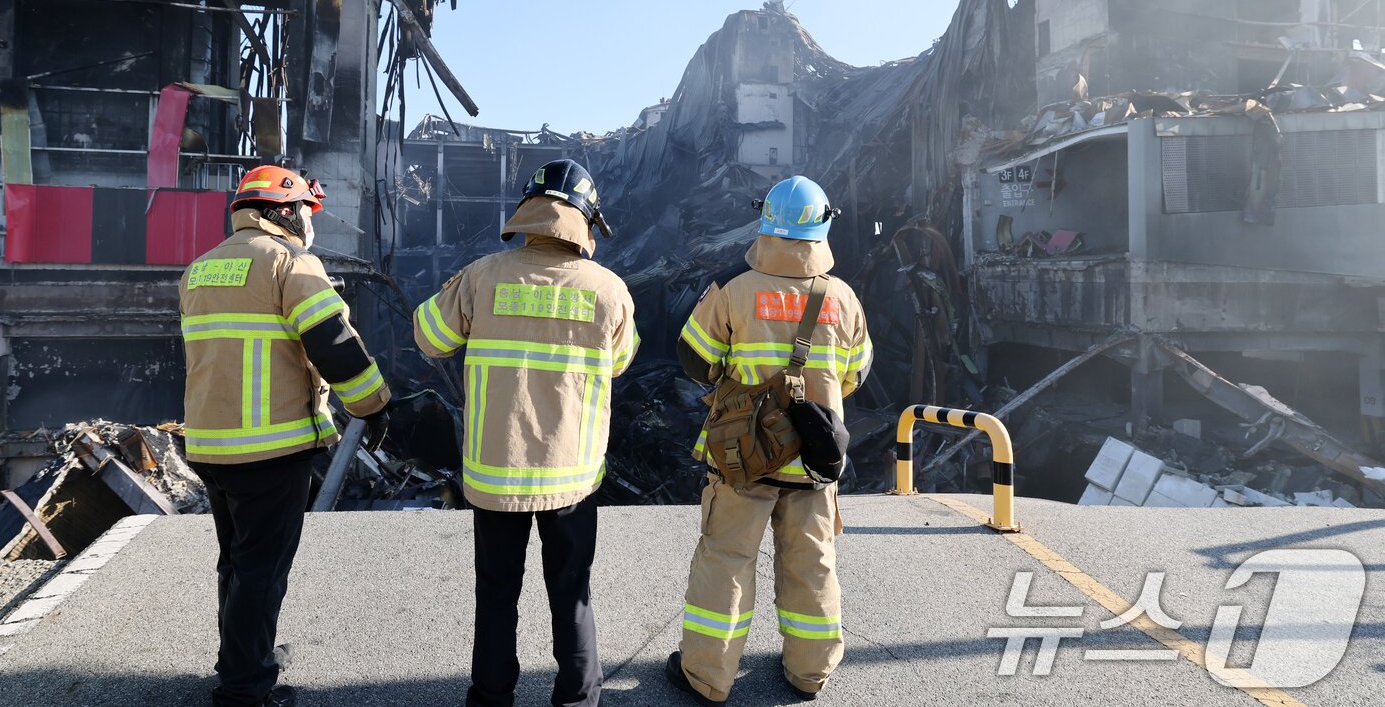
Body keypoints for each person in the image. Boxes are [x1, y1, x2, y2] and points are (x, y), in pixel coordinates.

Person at [413, 159, 638, 707]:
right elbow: (620, 363)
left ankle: (491, 698)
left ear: (529, 212)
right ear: (584, 222)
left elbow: (427, 336)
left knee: (496, 594)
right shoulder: (609, 290)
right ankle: (579, 699)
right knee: (572, 594)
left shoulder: (483, 275)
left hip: (496, 472)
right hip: (572, 477)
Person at [180, 165, 391, 707]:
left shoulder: (200, 270)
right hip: (269, 450)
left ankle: (240, 662)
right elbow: (334, 342)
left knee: (237, 563)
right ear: (284, 210)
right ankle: (245, 688)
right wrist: (373, 404)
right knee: (261, 571)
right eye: (304, 211)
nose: (308, 223)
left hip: (210, 444)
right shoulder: (289, 262)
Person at [667, 176, 872, 704]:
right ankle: (810, 673)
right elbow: (855, 375)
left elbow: (696, 361)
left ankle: (708, 677)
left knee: (727, 560)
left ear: (766, 223)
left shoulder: (734, 291)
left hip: (744, 458)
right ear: (824, 225)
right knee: (812, 564)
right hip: (814, 461)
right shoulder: (844, 299)